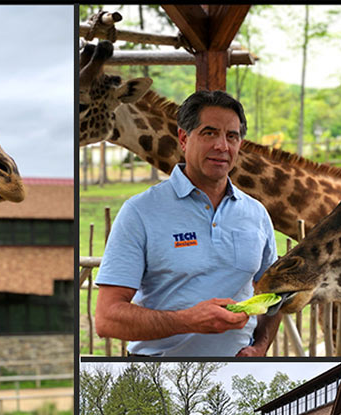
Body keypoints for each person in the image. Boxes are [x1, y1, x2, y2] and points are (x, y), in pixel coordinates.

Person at [94, 89, 280, 357]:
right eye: (209, 133)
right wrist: (187, 320)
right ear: (184, 138)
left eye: (232, 136)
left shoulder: (257, 214)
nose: (222, 146)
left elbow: (274, 297)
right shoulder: (140, 212)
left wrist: (260, 347)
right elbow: (107, 319)